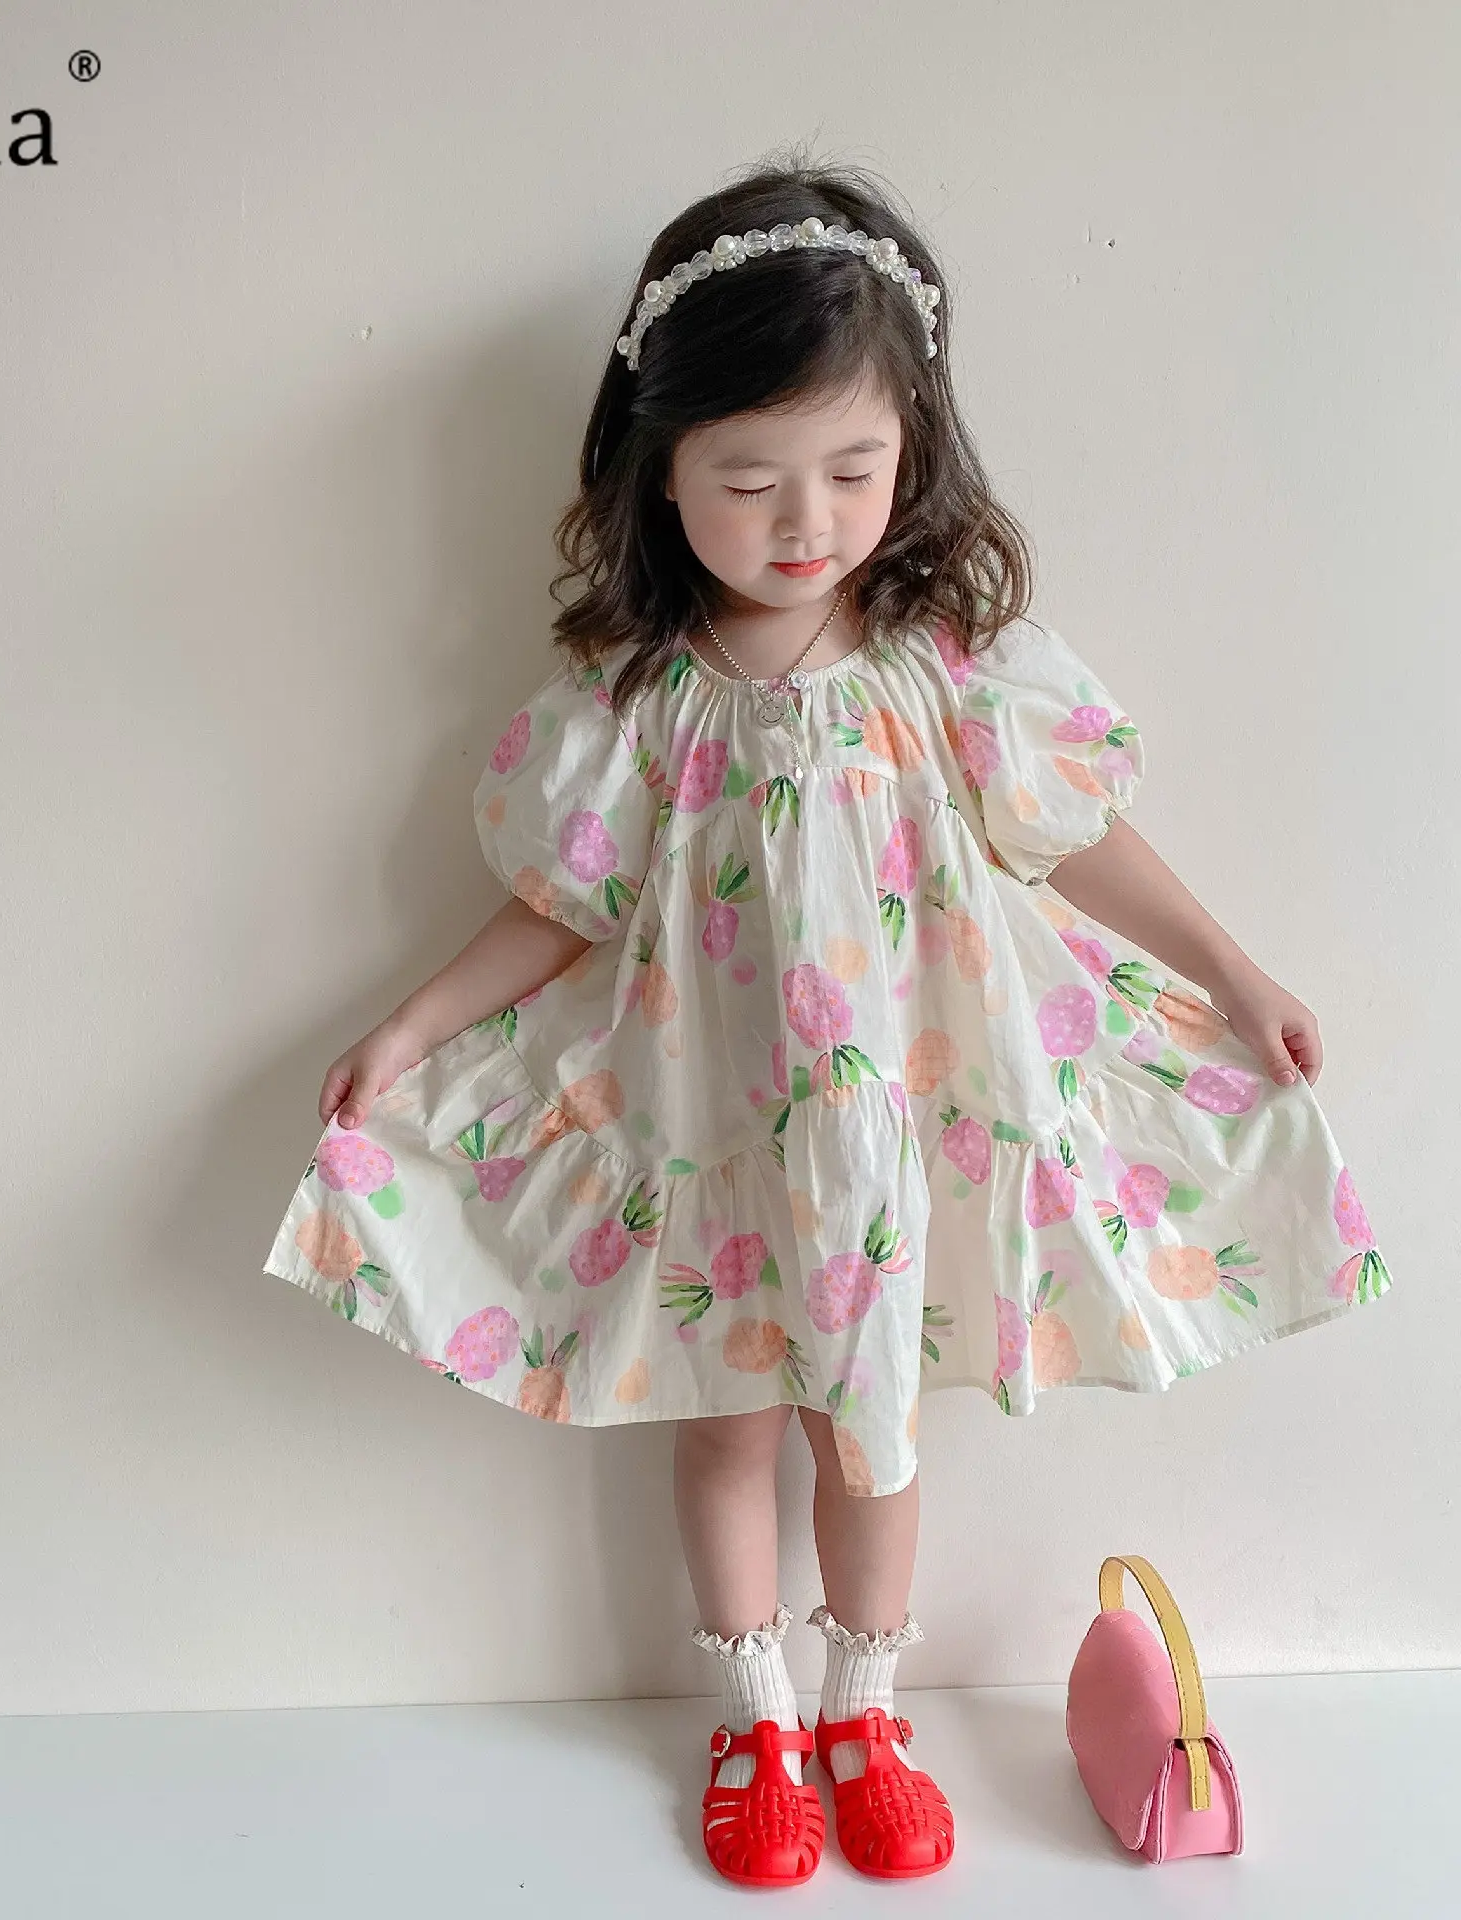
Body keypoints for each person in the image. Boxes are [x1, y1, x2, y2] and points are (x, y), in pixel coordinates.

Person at [259, 155, 1394, 1891]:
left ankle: (868, 1709)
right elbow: (561, 904)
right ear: (660, 471)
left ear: (914, 451)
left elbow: (1075, 835)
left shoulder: (951, 666)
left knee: (875, 1424)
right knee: (723, 1415)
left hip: (898, 1131)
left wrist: (1236, 974)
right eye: (749, 480)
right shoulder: (640, 704)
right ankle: (756, 1719)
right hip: (709, 1120)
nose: (807, 520)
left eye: (854, 470)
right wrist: (411, 1026)